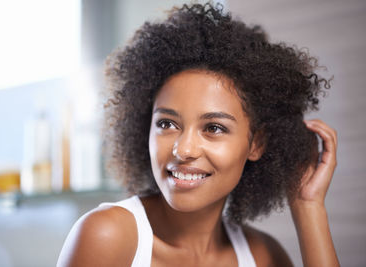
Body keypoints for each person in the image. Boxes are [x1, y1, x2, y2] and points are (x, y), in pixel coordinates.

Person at [57, 3, 339, 266]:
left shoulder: (262, 255)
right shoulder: (107, 236)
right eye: (167, 124)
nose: (184, 149)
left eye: (213, 128)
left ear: (256, 143)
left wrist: (307, 206)